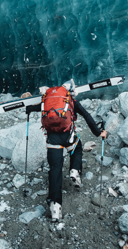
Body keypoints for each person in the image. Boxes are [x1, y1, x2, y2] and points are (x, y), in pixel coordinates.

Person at [26, 80, 107, 222]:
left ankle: (55, 207)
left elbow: (35, 108)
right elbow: (87, 116)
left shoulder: (47, 103)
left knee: (55, 169)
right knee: (77, 148)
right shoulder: (71, 102)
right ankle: (75, 170)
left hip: (52, 141)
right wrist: (99, 133)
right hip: (68, 137)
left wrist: (29, 109)